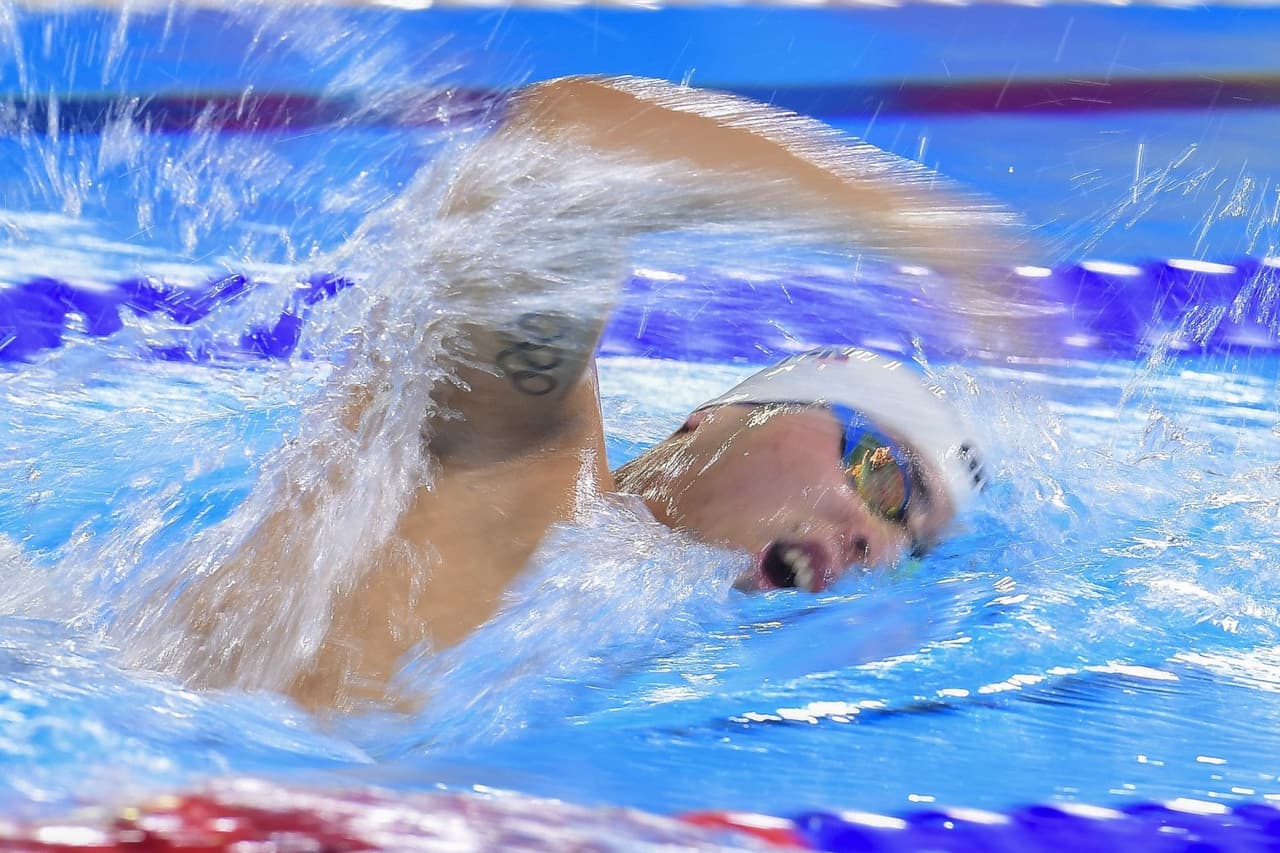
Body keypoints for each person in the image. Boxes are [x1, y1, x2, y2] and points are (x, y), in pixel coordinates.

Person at [138, 76, 1024, 713]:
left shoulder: (625, 635)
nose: (879, 540)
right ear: (710, 423)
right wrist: (921, 224)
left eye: (911, 545)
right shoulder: (514, 456)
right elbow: (560, 146)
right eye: (883, 474)